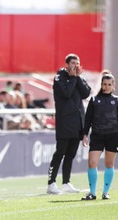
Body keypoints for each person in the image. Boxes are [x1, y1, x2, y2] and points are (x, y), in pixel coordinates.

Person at [47, 53, 91, 194]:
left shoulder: (78, 77)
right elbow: (66, 93)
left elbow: (86, 94)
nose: (75, 66)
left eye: (77, 63)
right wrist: (73, 78)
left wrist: (77, 77)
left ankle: (66, 183)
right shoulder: (60, 77)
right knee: (60, 153)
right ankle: (51, 183)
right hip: (65, 121)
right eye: (73, 63)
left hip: (77, 122)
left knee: (71, 154)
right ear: (67, 64)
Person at [81, 71, 118, 200]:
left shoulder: (116, 100)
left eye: (109, 84)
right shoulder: (94, 100)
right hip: (97, 135)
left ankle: (105, 192)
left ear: (113, 85)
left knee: (109, 164)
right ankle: (92, 192)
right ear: (101, 85)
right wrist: (85, 134)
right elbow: (88, 118)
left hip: (113, 135)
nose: (106, 86)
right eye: (104, 84)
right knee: (92, 163)